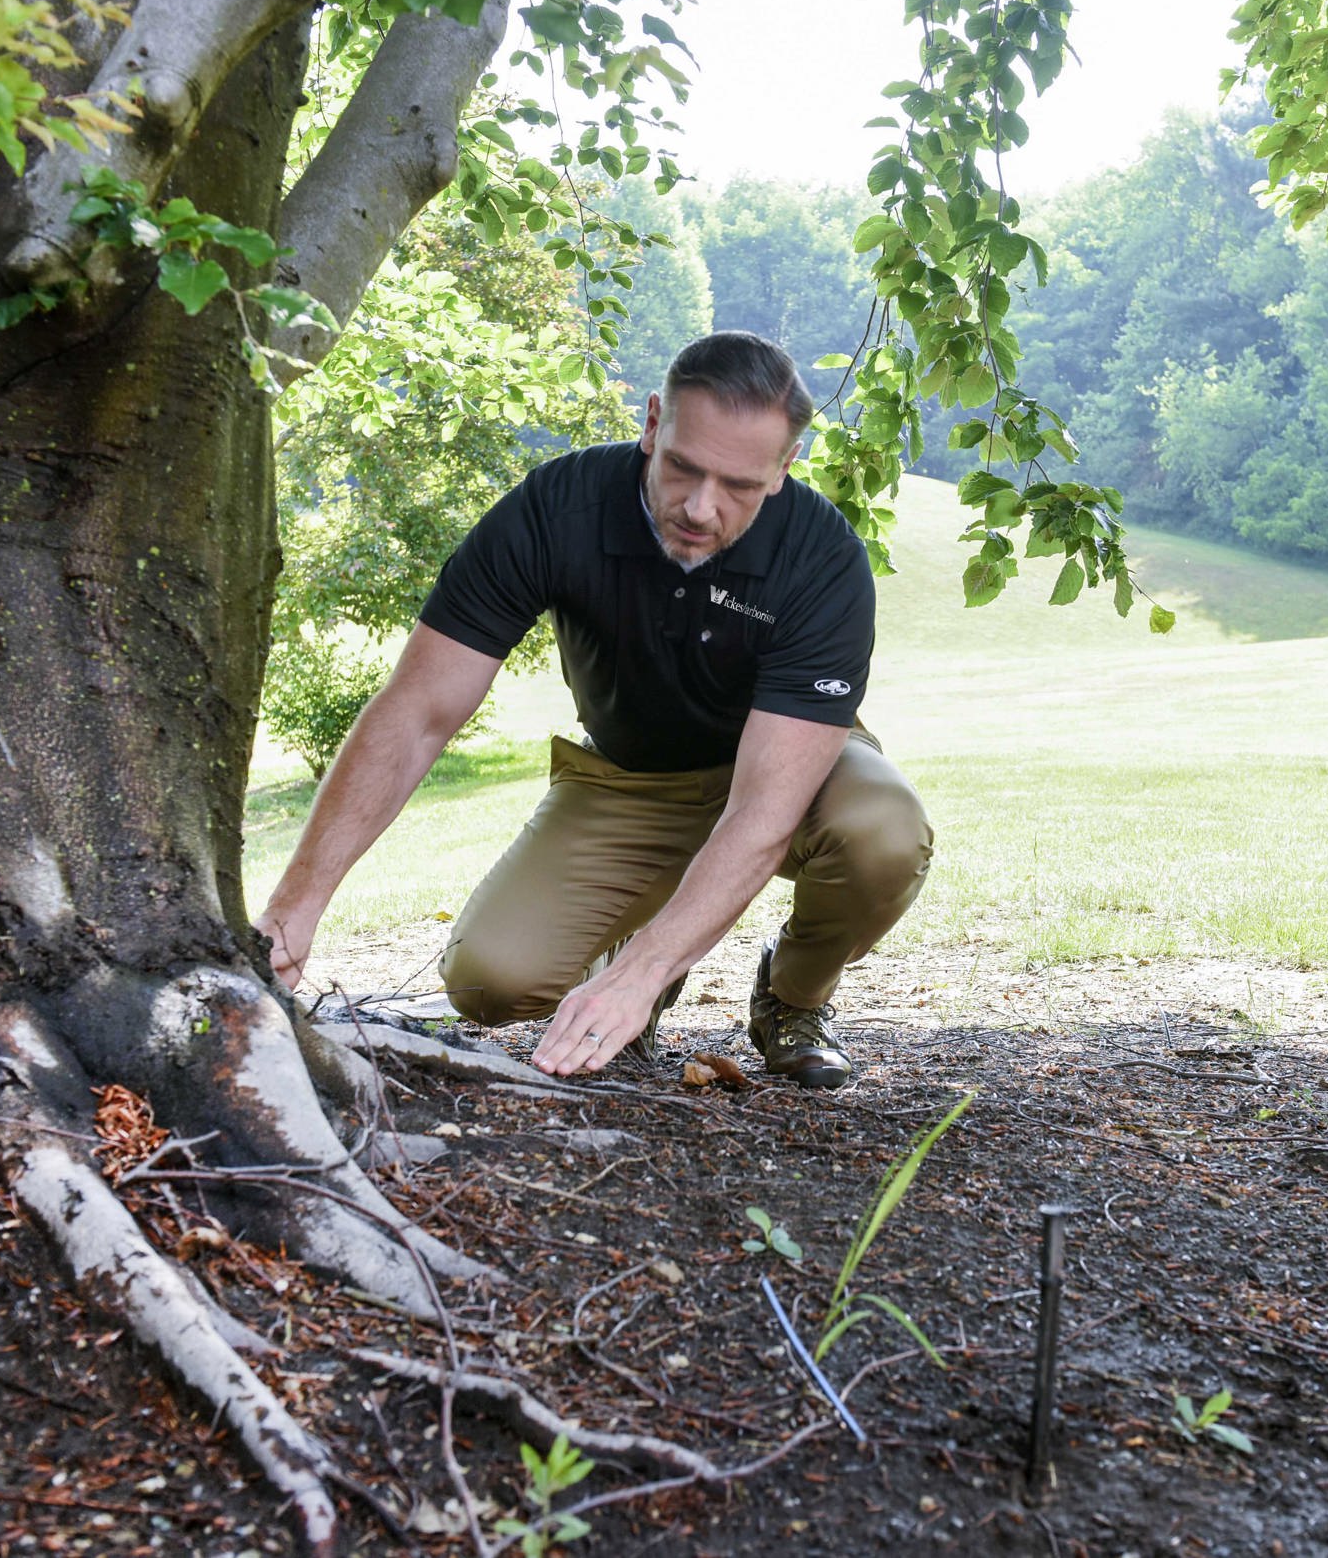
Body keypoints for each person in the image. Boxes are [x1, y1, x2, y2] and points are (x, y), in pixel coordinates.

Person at [254, 331, 933, 1087]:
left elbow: (764, 811)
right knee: (488, 980)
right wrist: (293, 909)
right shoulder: (557, 508)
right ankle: (646, 943)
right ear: (652, 425)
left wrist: (641, 976)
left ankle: (790, 996)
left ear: (783, 470)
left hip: (785, 775)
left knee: (883, 832)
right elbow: (417, 711)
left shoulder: (822, 560)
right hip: (627, 779)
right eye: (682, 467)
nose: (701, 508)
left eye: (738, 484)